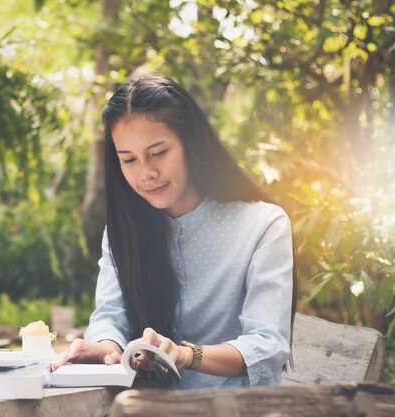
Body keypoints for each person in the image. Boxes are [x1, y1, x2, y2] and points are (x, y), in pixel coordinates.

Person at [51, 74, 296, 390]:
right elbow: (111, 315)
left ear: (190, 143)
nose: (146, 173)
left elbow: (268, 345)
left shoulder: (263, 225)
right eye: (129, 160)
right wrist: (106, 346)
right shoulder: (124, 230)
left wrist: (185, 354)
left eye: (158, 152)